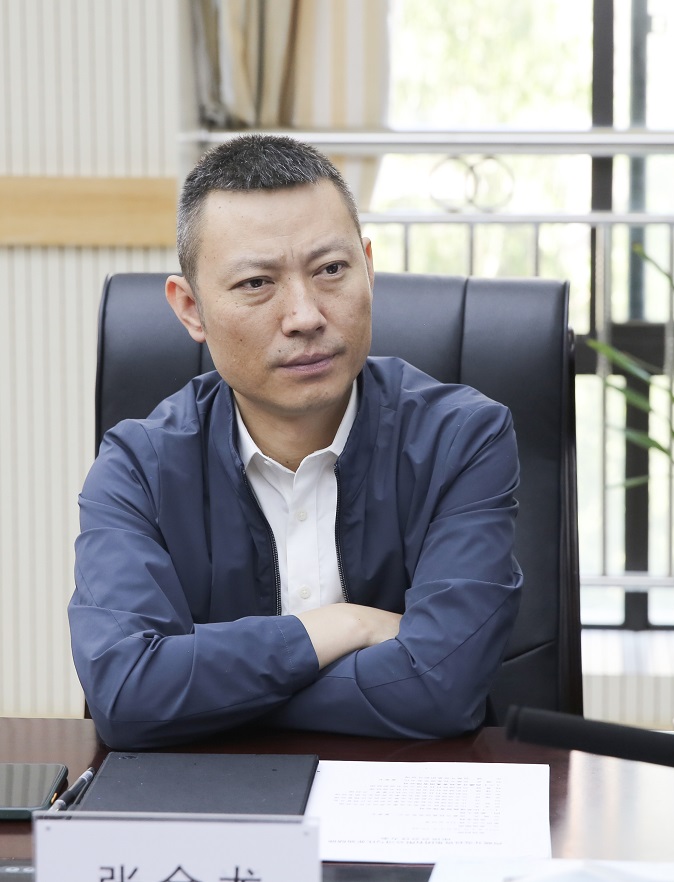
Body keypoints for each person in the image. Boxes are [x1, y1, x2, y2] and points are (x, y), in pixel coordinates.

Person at [68, 134, 522, 749]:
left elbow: (442, 687)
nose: (305, 315)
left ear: (368, 268)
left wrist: (198, 695)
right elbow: (126, 694)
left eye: (331, 270)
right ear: (191, 308)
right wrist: (348, 626)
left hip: (411, 793)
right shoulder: (136, 468)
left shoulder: (462, 438)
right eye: (257, 282)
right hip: (208, 803)